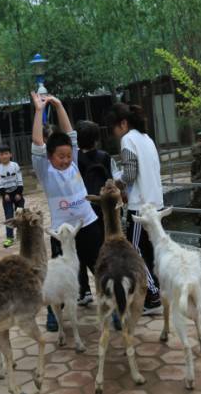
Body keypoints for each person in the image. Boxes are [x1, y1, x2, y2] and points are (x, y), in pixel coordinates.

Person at [30, 92, 104, 332]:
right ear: (50, 157)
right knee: (60, 274)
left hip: (89, 225)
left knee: (100, 267)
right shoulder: (45, 171)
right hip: (63, 233)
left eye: (68, 155)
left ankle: (113, 308)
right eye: (60, 156)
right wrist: (39, 110)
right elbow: (38, 145)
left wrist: (59, 104)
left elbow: (70, 134)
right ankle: (55, 314)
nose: (65, 160)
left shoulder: (73, 163)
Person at [105, 103, 164, 316]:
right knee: (152, 250)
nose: (114, 133)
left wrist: (115, 182)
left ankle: (153, 294)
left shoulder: (128, 139)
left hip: (140, 207)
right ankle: (159, 291)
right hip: (156, 203)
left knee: (136, 251)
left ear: (123, 123)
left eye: (114, 128)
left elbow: (130, 174)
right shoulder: (147, 139)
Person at [75, 120, 121, 306]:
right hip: (103, 208)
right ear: (96, 138)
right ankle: (108, 287)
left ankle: (84, 290)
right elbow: (111, 180)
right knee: (102, 248)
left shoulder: (75, 158)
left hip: (83, 208)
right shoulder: (104, 156)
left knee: (80, 249)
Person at [0, 144, 24, 248]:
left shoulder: (15, 165)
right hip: (6, 196)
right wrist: (4, 194)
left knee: (20, 215)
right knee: (9, 217)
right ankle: (9, 238)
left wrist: (19, 193)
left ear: (10, 154)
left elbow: (20, 179)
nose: (4, 156)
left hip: (17, 194)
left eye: (6, 153)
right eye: (1, 154)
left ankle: (21, 235)